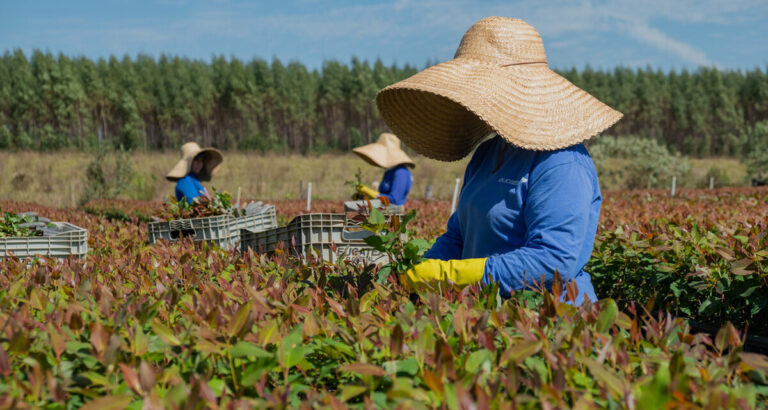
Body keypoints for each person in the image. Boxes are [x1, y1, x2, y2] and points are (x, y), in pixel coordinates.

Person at [375, 17, 623, 304]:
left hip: (551, 319)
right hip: (485, 313)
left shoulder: (562, 162)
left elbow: (553, 262)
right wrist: (423, 271)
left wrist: (456, 275)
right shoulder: (487, 153)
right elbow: (458, 235)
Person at [352, 133, 415, 206]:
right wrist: (365, 197)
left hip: (394, 212)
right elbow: (384, 195)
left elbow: (394, 200)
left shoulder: (401, 172)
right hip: (383, 209)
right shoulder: (389, 171)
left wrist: (373, 194)